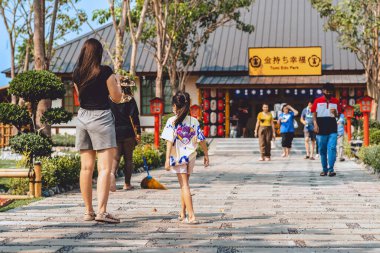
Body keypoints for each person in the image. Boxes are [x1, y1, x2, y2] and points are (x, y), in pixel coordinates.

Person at [73, 38, 125, 223]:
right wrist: (117, 82)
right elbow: (117, 98)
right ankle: (102, 212)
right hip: (101, 118)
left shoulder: (77, 73)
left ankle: (88, 212)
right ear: (99, 53)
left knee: (86, 168)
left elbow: (79, 97)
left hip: (82, 118)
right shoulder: (105, 72)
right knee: (104, 169)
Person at [161, 91, 209, 224]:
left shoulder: (172, 121)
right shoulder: (194, 121)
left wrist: (166, 160)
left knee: (184, 186)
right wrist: (206, 154)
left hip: (179, 158)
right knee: (185, 185)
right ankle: (182, 213)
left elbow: (169, 141)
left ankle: (191, 216)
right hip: (191, 157)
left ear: (176, 106)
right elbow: (202, 140)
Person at [110, 86, 141, 191]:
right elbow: (135, 117)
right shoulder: (130, 99)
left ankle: (111, 183)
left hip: (114, 132)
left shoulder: (110, 99)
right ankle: (127, 184)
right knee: (128, 159)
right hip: (128, 132)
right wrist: (138, 133)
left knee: (115, 159)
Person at [312, 83, 341, 177]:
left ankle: (331, 169)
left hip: (332, 128)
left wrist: (336, 112)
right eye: (327, 91)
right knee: (322, 150)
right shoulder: (317, 101)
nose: (328, 93)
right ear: (323, 91)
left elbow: (338, 115)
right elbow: (314, 114)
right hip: (321, 129)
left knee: (332, 148)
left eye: (330, 91)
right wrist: (315, 125)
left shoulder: (336, 101)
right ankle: (324, 169)